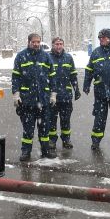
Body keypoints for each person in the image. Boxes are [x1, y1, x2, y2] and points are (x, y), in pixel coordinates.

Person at [12, 33, 57, 161]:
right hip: (27, 100)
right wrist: (16, 94)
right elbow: (16, 77)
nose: (36, 44)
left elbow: (52, 76)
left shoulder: (46, 56)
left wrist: (53, 94)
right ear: (29, 42)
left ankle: (45, 150)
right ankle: (26, 152)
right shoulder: (21, 56)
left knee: (44, 128)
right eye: (33, 42)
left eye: (38, 41)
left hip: (43, 100)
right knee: (28, 129)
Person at [48, 37, 81, 149]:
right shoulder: (47, 58)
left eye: (61, 44)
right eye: (57, 44)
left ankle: (66, 139)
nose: (59, 46)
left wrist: (76, 89)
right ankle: (52, 140)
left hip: (66, 96)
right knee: (51, 120)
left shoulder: (68, 58)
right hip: (52, 96)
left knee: (65, 120)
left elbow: (73, 75)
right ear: (52, 45)